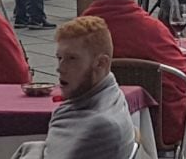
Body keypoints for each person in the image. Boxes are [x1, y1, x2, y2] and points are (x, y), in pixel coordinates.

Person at [81, 0, 186, 147]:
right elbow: (183, 77)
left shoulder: (78, 32)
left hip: (93, 123)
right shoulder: (153, 29)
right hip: (159, 123)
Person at [12, 16, 136, 159]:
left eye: (72, 59)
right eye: (59, 58)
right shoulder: (110, 95)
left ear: (101, 63)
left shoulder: (99, 126)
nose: (60, 68)